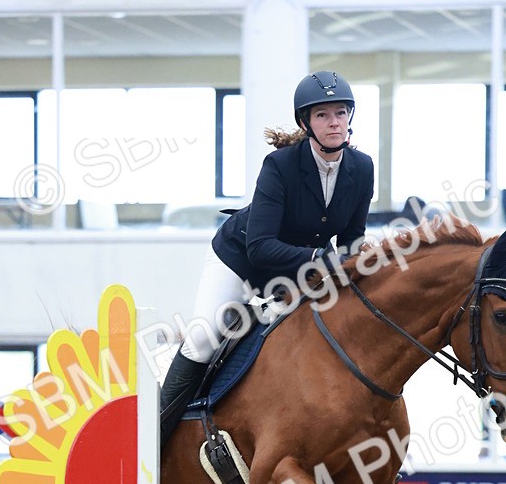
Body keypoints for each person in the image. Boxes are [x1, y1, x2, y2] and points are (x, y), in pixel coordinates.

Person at [160, 70, 375, 444]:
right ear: (305, 123)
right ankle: (152, 442)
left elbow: (351, 241)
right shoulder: (280, 166)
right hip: (240, 262)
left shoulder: (362, 167)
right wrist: (321, 257)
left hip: (295, 270)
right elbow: (260, 246)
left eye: (340, 113)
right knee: (203, 338)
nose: (334, 122)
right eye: (323, 115)